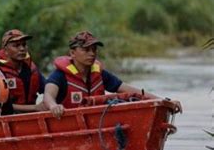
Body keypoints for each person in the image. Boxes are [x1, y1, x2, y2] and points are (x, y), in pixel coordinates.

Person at [44, 31, 183, 118]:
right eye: (86, 50)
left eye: (94, 49)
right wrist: (53, 106)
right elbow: (48, 95)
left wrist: (163, 101)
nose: (92, 53)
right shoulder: (60, 75)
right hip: (69, 125)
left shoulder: (100, 74)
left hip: (96, 124)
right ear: (72, 53)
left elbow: (130, 90)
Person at [0, 29, 46, 113]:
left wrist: (49, 102)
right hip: (6, 117)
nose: (22, 49)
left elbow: (47, 89)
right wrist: (35, 107)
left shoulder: (32, 68)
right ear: (5, 50)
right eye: (16, 46)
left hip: (31, 117)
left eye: (24, 45)